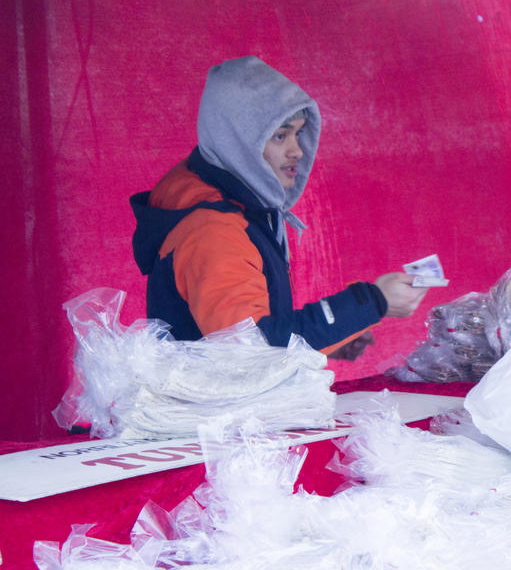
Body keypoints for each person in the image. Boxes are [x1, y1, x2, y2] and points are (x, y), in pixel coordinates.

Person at [131, 56, 426, 358]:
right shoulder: (213, 230)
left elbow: (258, 333)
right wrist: (371, 302)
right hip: (220, 391)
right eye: (280, 136)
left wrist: (338, 334)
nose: (297, 151)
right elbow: (253, 348)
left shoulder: (239, 204)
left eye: (298, 133)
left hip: (223, 389)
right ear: (238, 141)